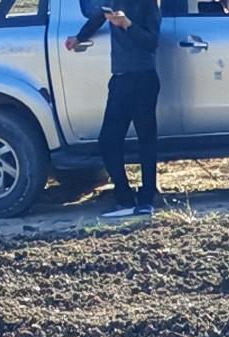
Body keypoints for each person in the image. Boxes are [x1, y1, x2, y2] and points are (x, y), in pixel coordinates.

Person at [66, 0, 164, 211]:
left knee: (146, 138)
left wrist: (127, 24)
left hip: (144, 77)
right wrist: (78, 38)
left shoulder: (147, 4)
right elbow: (96, 19)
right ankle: (123, 195)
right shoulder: (110, 2)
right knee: (109, 141)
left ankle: (147, 197)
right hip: (120, 79)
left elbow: (152, 42)